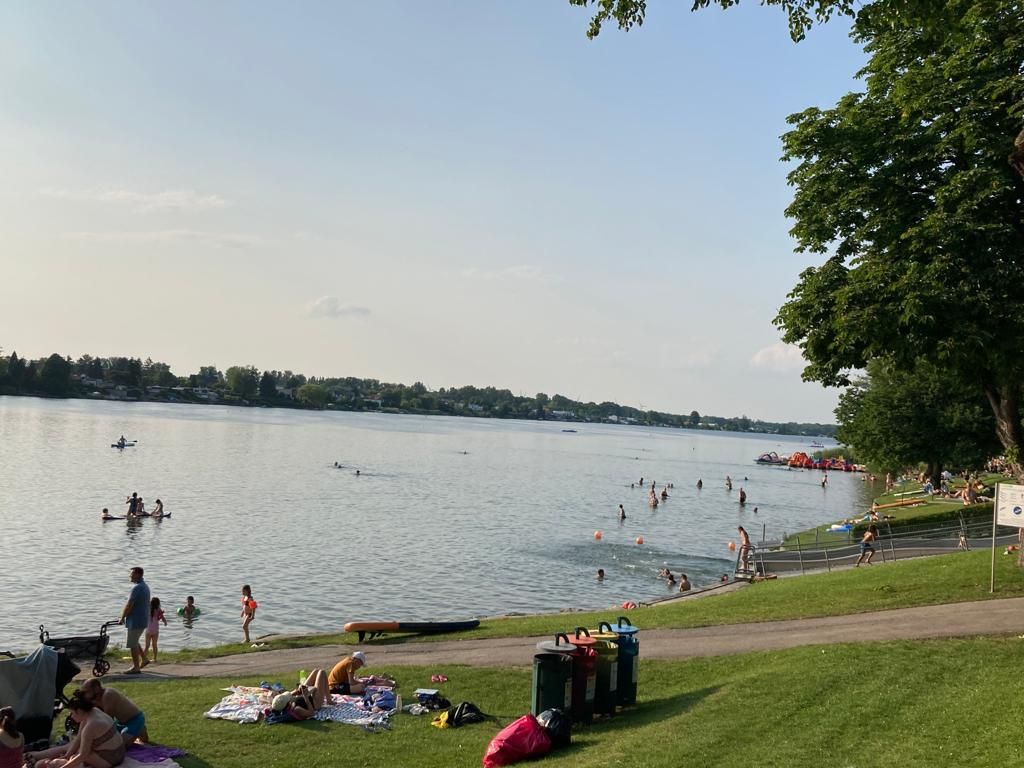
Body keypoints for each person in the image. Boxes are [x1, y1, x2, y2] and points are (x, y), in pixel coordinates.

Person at [27, 691, 126, 768]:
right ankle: (34, 756)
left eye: (72, 713)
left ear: (79, 711)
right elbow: (78, 738)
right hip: (119, 751)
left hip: (109, 760)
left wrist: (64, 766)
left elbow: (82, 755)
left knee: (76, 752)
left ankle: (32, 756)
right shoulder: (93, 712)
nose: (72, 717)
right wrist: (66, 756)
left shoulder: (91, 725)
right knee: (70, 747)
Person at [80, 679, 148, 745]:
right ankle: (138, 730)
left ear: (96, 689)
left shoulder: (108, 695)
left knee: (119, 745)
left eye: (87, 692)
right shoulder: (97, 698)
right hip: (121, 722)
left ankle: (138, 729)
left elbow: (108, 719)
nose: (85, 695)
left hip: (134, 719)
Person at [119, 566, 150, 674]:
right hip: (142, 619)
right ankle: (144, 659)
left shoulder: (137, 588)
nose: (130, 576)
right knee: (135, 641)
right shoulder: (144, 586)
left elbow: (129, 605)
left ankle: (136, 667)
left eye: (131, 574)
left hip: (136, 620)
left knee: (132, 644)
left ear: (137, 574)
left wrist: (122, 618)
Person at [143, 597, 167, 663]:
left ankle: (144, 658)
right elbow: (162, 618)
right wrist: (165, 622)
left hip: (148, 629)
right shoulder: (158, 610)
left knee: (147, 646)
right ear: (158, 603)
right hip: (155, 630)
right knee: (154, 645)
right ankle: (154, 658)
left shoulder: (148, 609)